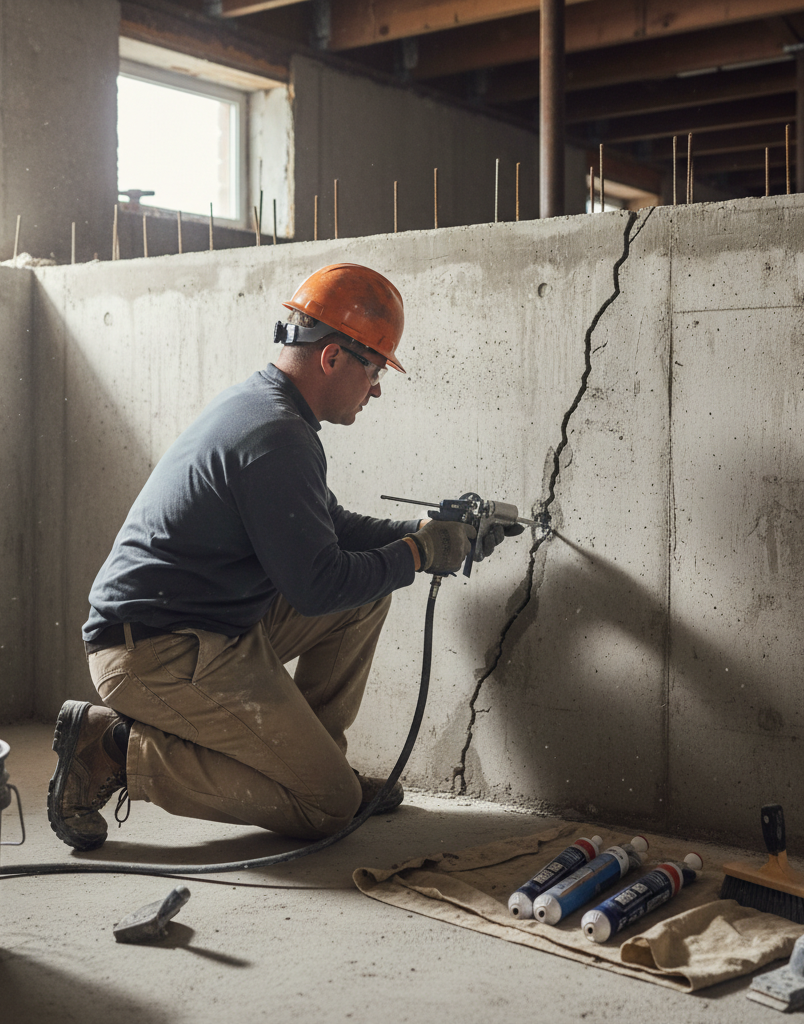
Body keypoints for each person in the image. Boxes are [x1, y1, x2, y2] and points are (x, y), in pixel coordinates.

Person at [47, 263, 518, 852]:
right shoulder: (275, 436)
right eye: (373, 368)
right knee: (328, 808)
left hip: (209, 626)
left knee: (366, 594)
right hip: (153, 653)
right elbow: (317, 586)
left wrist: (425, 532)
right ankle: (111, 749)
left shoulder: (270, 408)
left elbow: (331, 529)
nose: (376, 388)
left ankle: (316, 762)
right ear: (331, 358)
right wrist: (421, 553)